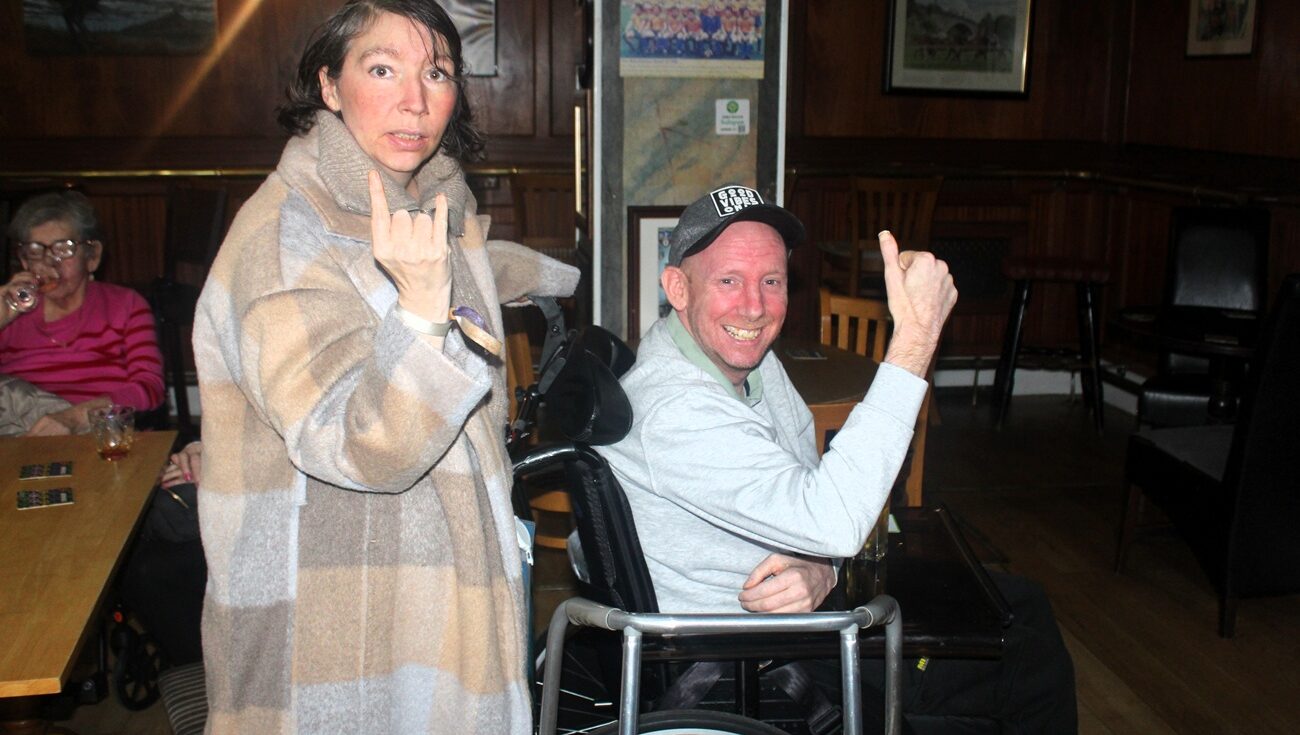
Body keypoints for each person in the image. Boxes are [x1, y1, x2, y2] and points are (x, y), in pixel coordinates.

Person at [192, 2, 578, 732]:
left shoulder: (421, 199)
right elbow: (360, 446)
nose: (415, 101)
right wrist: (424, 312)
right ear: (328, 86)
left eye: (436, 73)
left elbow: (401, 276)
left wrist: (543, 276)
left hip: (426, 577)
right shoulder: (283, 237)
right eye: (381, 69)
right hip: (339, 617)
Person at [598, 185, 1077, 732]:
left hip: (798, 612)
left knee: (1026, 601)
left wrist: (818, 566)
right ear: (678, 288)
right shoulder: (676, 409)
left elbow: (811, 482)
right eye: (728, 280)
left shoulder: (745, 360)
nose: (754, 307)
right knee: (1028, 663)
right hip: (750, 659)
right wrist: (917, 336)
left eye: (772, 281)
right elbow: (837, 519)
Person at [1, 190, 165, 435]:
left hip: (97, 432)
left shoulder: (125, 305)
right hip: (19, 436)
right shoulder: (11, 310)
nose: (48, 262)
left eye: (63, 249)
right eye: (36, 251)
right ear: (24, 261)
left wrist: (74, 418)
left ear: (92, 256)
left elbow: (150, 387)